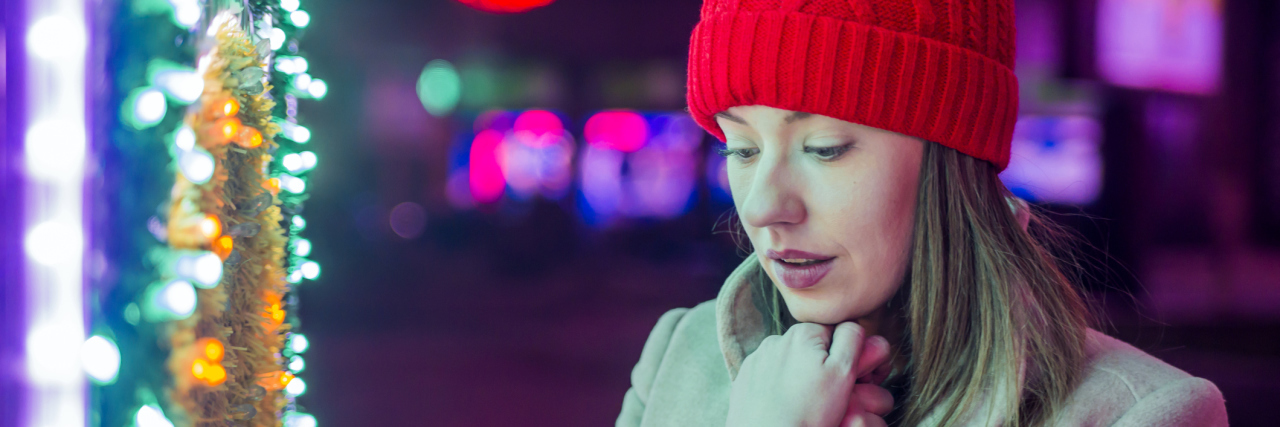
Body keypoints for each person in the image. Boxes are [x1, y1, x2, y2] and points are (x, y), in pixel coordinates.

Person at [616, 0, 1229, 426]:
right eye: (741, 148)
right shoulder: (678, 355)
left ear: (950, 161)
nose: (762, 205)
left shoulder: (1142, 414)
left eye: (824, 148)